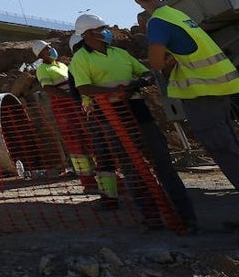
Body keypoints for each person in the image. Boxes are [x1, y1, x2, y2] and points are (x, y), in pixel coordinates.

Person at [70, 14, 197, 233]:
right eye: (102, 28)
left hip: (139, 112)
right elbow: (83, 89)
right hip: (111, 117)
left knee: (162, 163)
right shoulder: (80, 58)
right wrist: (115, 92)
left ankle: (185, 216)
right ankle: (151, 218)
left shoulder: (120, 52)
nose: (107, 31)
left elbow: (144, 71)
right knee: (131, 169)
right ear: (90, 33)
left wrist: (143, 79)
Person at [126, 0, 239, 189]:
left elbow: (157, 61)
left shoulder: (157, 22)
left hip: (203, 92)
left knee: (223, 148)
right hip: (222, 86)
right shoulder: (176, 14)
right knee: (229, 145)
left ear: (136, 0)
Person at [31, 40, 97, 193]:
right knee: (76, 145)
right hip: (64, 111)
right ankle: (88, 183)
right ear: (41, 54)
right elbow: (49, 89)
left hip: (77, 107)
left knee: (90, 141)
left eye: (50, 47)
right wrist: (70, 96)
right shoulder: (43, 69)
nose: (51, 50)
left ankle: (101, 175)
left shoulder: (62, 65)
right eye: (47, 49)